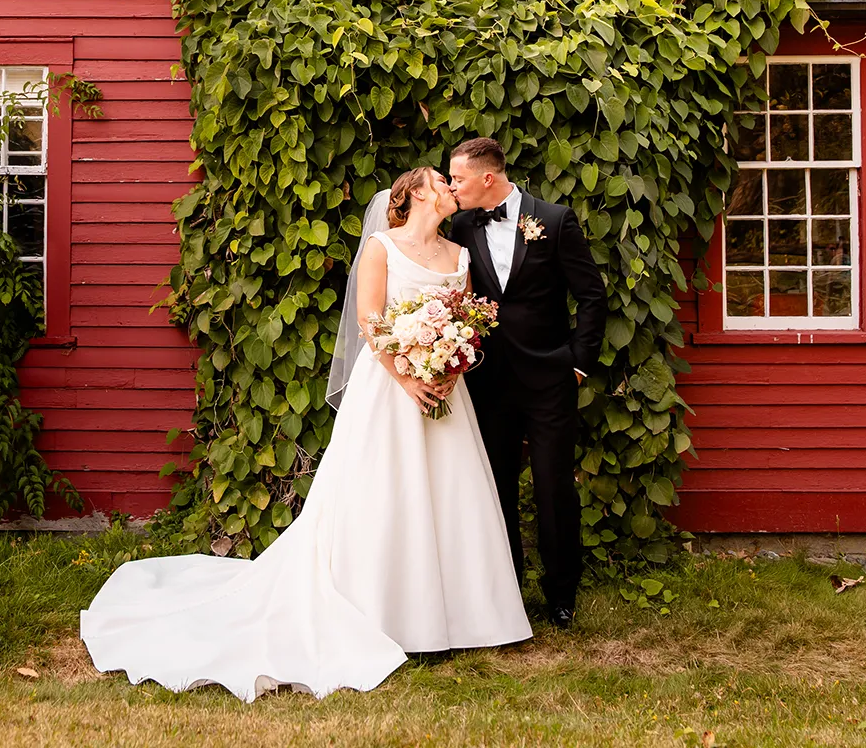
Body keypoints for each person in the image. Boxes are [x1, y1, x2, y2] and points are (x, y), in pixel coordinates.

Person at [79, 167, 531, 701]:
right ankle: (384, 614)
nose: (451, 187)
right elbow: (370, 322)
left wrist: (451, 364)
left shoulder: (460, 255)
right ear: (413, 195)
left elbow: (467, 321)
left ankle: (465, 617)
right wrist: (408, 376)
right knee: (385, 496)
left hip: (444, 393)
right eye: (440, 179)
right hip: (389, 390)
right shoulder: (382, 248)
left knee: (452, 496)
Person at [447, 135, 608, 630]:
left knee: (553, 486)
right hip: (488, 381)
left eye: (458, 178)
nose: (453, 187)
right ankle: (506, 591)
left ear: (487, 178)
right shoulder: (458, 226)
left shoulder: (555, 221)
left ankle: (561, 596)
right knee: (494, 488)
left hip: (549, 379)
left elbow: (591, 296)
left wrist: (577, 363)